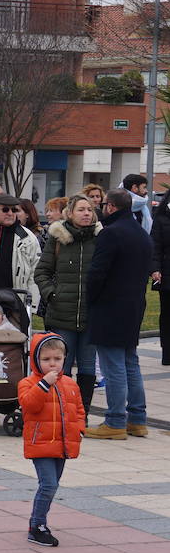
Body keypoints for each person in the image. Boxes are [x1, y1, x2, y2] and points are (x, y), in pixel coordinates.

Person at [85, 188, 152, 440]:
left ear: (111, 207)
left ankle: (114, 421)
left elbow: (97, 273)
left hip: (110, 307)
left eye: (103, 205)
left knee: (114, 366)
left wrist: (90, 299)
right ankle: (137, 419)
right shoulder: (141, 234)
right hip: (133, 306)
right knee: (130, 363)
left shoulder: (111, 233)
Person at [34, 194, 101, 412]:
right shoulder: (58, 237)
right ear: (70, 213)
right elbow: (42, 272)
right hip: (62, 313)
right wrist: (52, 295)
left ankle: (83, 412)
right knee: (62, 364)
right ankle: (63, 409)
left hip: (91, 314)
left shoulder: (101, 238)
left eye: (89, 210)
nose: (86, 214)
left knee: (88, 365)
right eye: (81, 209)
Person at [18, 333, 84, 547]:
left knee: (52, 486)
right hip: (41, 444)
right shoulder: (28, 383)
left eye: (57, 358)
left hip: (63, 444)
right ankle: (37, 526)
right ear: (36, 360)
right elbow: (29, 405)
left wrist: (80, 429)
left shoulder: (70, 384)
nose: (52, 364)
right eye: (46, 360)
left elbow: (79, 409)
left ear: (65, 358)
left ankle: (38, 523)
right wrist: (44, 385)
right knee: (48, 485)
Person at [0, 194, 40, 311]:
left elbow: (34, 273)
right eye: (5, 209)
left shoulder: (28, 238)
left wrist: (31, 306)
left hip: (14, 302)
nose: (10, 213)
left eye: (14, 210)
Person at [154, 195, 170, 365]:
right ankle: (167, 353)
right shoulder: (161, 219)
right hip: (166, 273)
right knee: (166, 314)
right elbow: (155, 246)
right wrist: (155, 269)